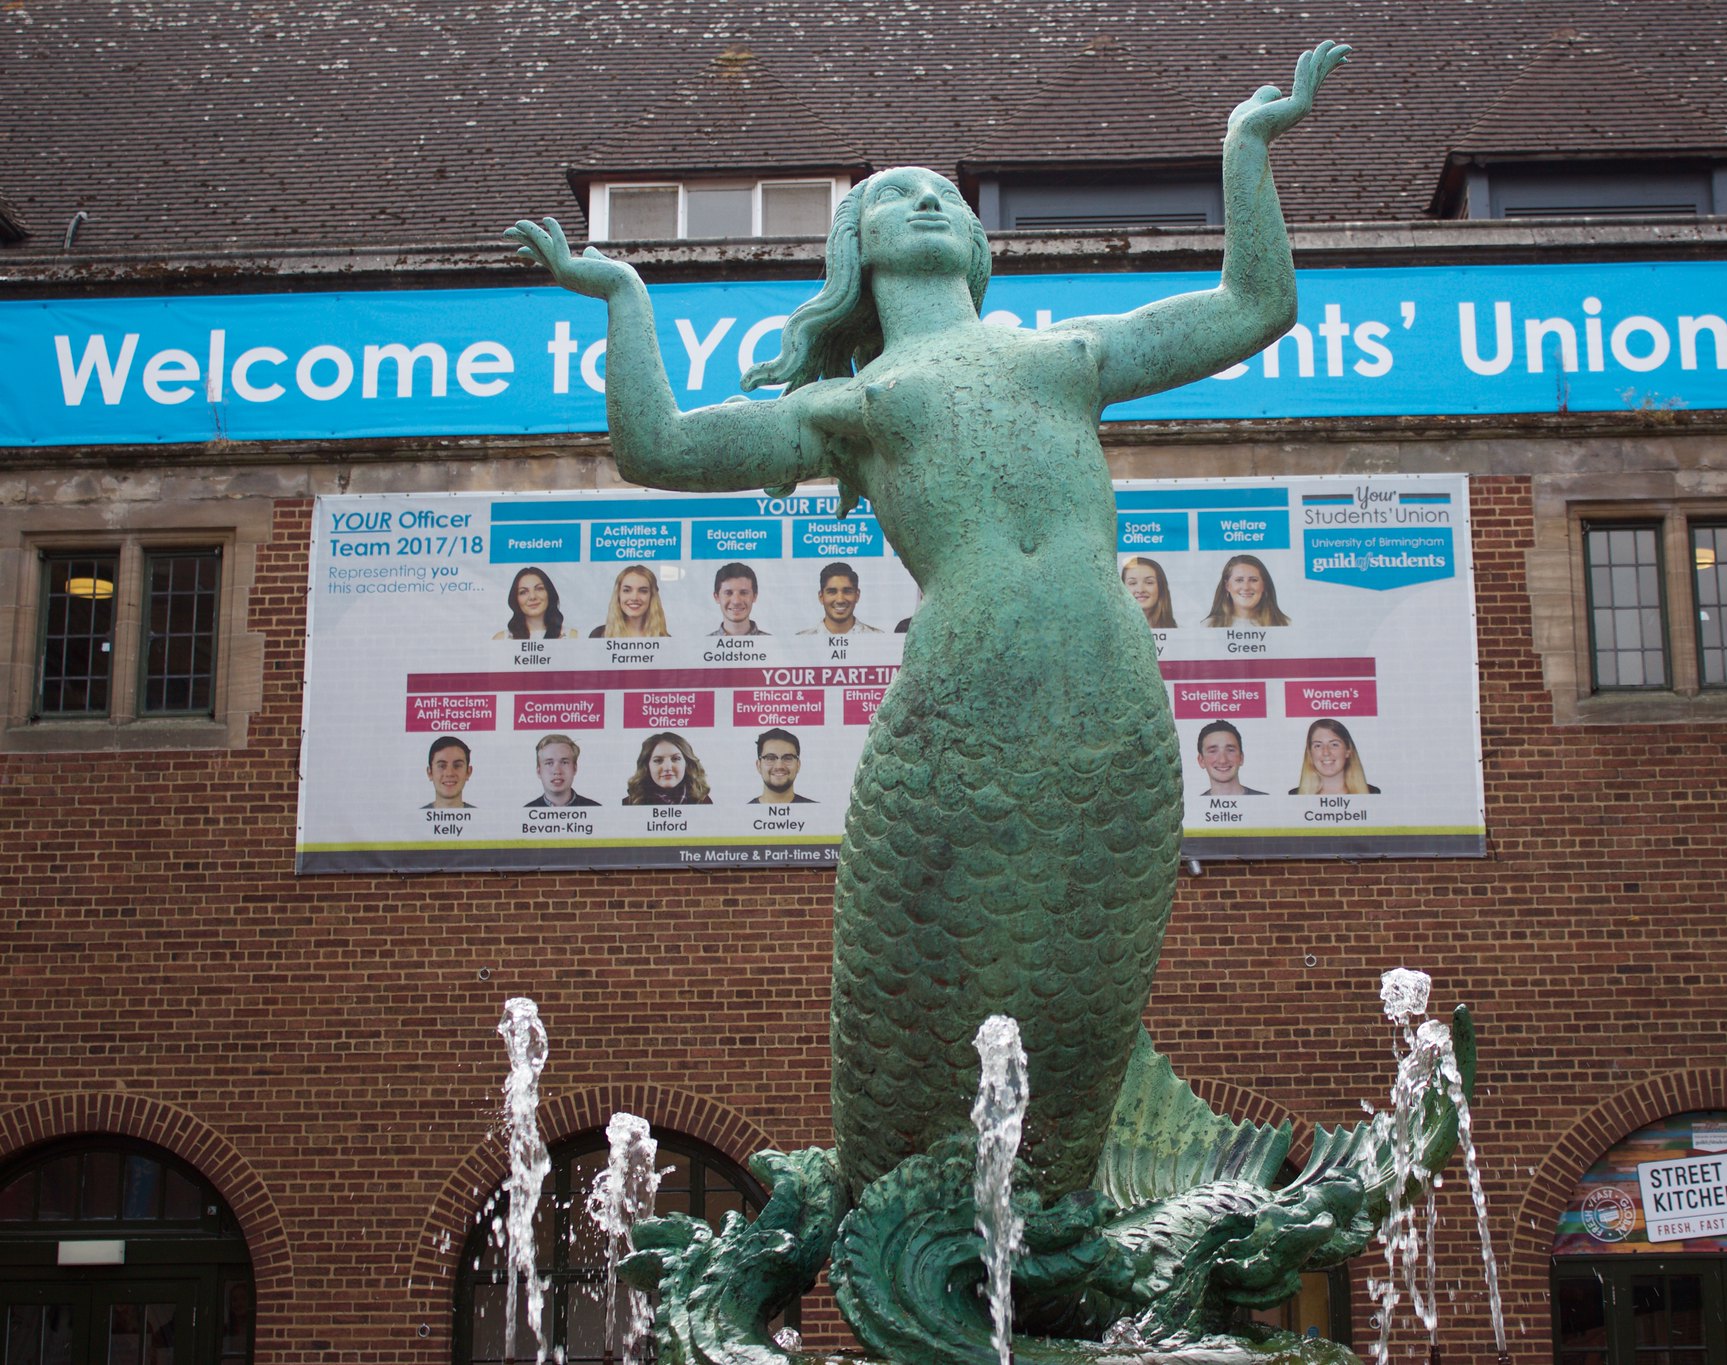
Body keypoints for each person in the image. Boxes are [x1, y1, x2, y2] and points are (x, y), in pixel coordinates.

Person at [508, 40, 1348, 1202]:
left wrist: (1244, 151)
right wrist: (623, 297)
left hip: (1112, 697)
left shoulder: (1065, 356)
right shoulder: (855, 404)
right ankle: (901, 1215)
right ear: (854, 251)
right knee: (931, 985)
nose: (929, 202)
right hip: (958, 710)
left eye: (947, 196)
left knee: (1087, 978)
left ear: (980, 244)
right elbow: (657, 447)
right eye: (897, 197)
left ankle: (1074, 1216)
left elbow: (1254, 305)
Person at [1290, 718, 1379, 795]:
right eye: (1318, 745)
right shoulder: (1294, 796)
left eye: (1334, 744)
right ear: (1310, 753)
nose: (1326, 752)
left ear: (1348, 751)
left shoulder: (1372, 793)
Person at [623, 731, 711, 805]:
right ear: (647, 766)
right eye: (658, 760)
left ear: (687, 764)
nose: (667, 767)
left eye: (676, 759)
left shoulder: (704, 801)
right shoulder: (630, 803)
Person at [1203, 554, 1290, 627]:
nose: (1246, 587)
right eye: (1239, 580)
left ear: (1264, 585)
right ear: (1227, 586)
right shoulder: (1208, 625)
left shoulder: (1285, 624)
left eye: (1253, 580)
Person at [797, 561, 883, 635]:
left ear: (857, 595)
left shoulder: (878, 637)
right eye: (832, 591)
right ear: (821, 596)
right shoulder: (802, 641)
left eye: (847, 591)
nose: (840, 600)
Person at [494, 566, 576, 640]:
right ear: (515, 598)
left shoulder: (572, 636)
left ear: (549, 593)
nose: (532, 597)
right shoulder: (501, 639)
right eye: (523, 592)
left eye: (539, 589)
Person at [589, 563, 669, 638]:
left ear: (652, 596)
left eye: (643, 591)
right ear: (618, 595)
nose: (634, 598)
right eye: (627, 590)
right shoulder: (599, 635)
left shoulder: (665, 640)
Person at [527, 733, 602, 807]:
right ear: (539, 771)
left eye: (564, 762)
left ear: (575, 768)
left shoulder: (594, 809)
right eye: (549, 763)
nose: (557, 771)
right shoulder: (526, 812)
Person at [1193, 720, 1263, 796]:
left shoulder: (1263, 801)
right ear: (1201, 760)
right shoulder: (1194, 805)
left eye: (1230, 750)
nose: (1223, 760)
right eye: (1213, 751)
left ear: (1241, 758)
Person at [747, 728, 814, 805]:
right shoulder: (744, 813)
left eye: (787, 758)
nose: (779, 766)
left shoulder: (814, 809)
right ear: (758, 765)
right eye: (770, 758)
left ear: (798, 765)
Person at [709, 562, 768, 636]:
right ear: (716, 597)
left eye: (744, 592)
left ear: (754, 596)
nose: (736, 601)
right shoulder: (704, 644)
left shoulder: (772, 643)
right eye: (728, 593)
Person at [1120, 556, 1177, 629]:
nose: (1140, 590)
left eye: (1149, 582)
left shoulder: (1180, 634)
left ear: (1160, 588)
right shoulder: (1112, 632)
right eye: (1133, 583)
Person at [423, 735, 476, 808]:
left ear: (468, 772)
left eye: (457, 765)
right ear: (430, 773)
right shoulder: (417, 816)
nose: (449, 773)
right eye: (442, 766)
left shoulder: (479, 816)